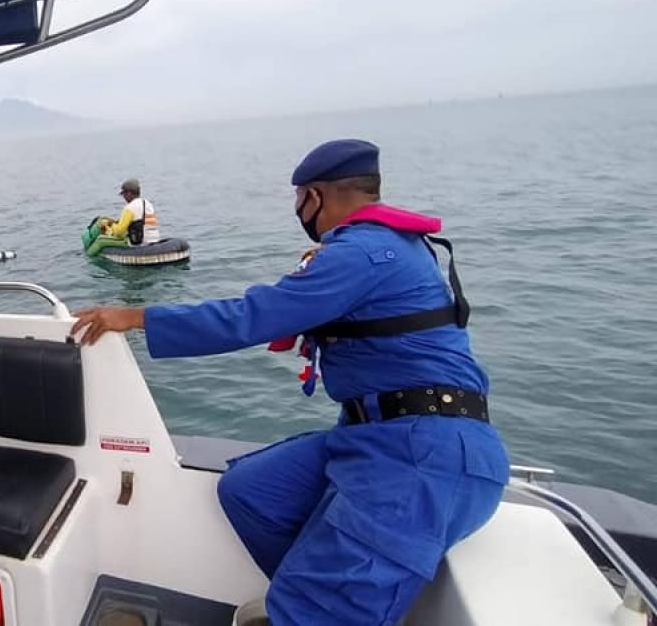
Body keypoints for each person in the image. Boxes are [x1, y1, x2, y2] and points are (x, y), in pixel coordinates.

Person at [72, 140, 508, 626]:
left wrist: (133, 316)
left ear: (316, 196)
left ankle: (316, 608)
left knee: (304, 610)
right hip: (374, 437)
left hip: (424, 459)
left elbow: (251, 317)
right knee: (250, 492)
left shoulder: (360, 254)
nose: (298, 210)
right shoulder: (392, 246)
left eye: (300, 199)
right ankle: (325, 594)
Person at [99, 178, 161, 246]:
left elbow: (119, 231)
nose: (124, 197)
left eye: (124, 194)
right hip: (155, 240)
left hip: (142, 243)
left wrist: (110, 225)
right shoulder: (147, 203)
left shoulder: (130, 208)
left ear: (129, 193)